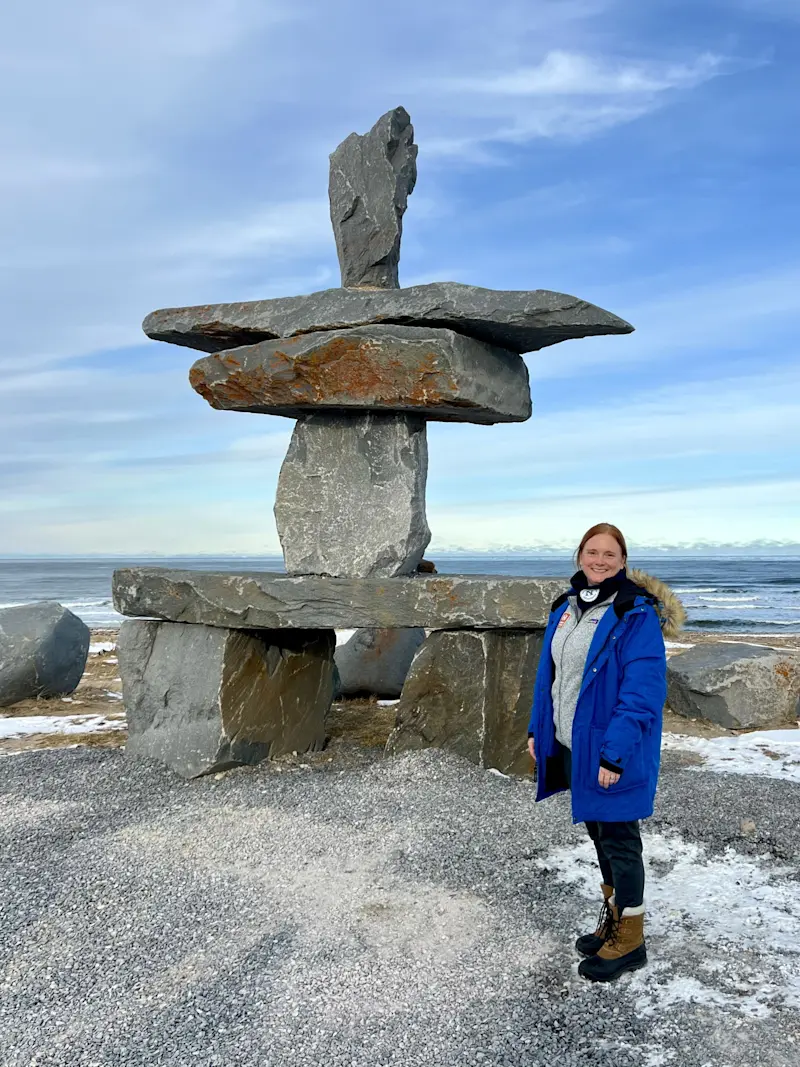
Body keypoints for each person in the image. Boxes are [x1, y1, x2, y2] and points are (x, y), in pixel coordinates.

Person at [527, 523, 684, 982]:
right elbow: (550, 678)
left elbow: (642, 693)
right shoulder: (566, 607)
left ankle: (630, 941)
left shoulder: (635, 614)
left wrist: (613, 755)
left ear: (623, 561)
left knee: (619, 839)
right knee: (600, 835)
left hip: (610, 750)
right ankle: (615, 922)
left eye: (609, 554)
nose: (599, 560)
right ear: (580, 556)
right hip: (573, 743)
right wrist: (539, 730)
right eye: (592, 552)